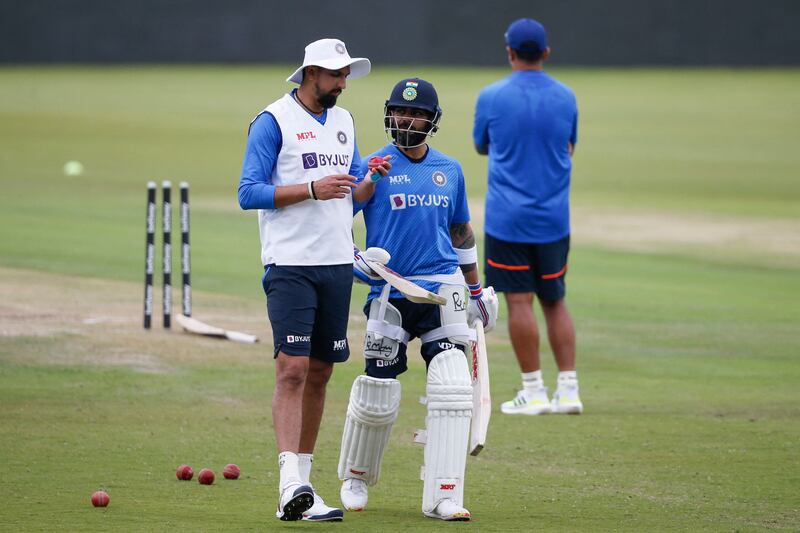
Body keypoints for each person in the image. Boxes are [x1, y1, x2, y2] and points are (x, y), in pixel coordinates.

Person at [336, 78, 498, 521]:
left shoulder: (450, 169)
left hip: (444, 288)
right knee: (378, 387)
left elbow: (461, 232)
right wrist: (357, 262)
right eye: (399, 112)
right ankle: (356, 475)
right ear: (389, 115)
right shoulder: (373, 166)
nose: (406, 120)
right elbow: (335, 221)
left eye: (416, 114)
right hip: (389, 287)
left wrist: (477, 288)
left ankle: (443, 493)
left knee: (452, 385)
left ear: (432, 120)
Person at [237, 37, 378, 522]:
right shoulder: (273, 120)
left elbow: (349, 196)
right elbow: (248, 192)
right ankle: (289, 483)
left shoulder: (344, 121)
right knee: (292, 370)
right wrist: (311, 189)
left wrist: (367, 181)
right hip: (290, 263)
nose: (343, 83)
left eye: (345, 75)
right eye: (336, 75)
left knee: (320, 372)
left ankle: (304, 488)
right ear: (311, 72)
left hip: (338, 263)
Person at [472, 18, 583, 416]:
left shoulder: (491, 96)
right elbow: (569, 145)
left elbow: (482, 145)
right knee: (555, 300)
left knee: (520, 301)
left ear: (509, 52)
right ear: (547, 53)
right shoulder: (567, 96)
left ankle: (533, 389)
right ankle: (568, 389)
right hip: (554, 218)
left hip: (508, 219)